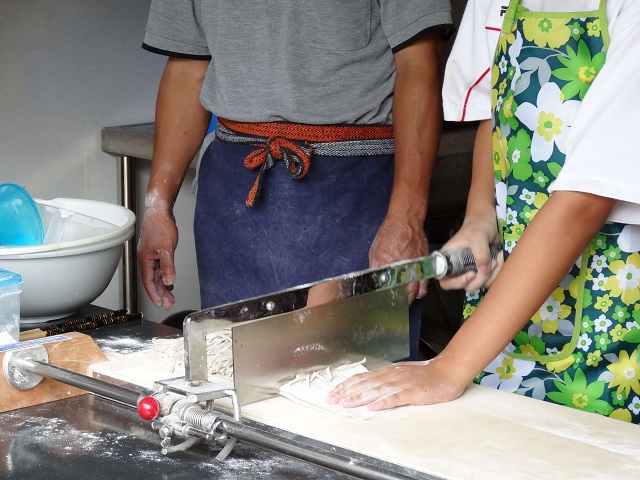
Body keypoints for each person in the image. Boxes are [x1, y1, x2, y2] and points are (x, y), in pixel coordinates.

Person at [327, 0, 640, 423]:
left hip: (616, 301)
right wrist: (480, 218)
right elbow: (494, 113)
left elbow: (586, 199)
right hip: (504, 308)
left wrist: (447, 367)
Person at [137, 1, 454, 359]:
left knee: (360, 386)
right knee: (238, 374)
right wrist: (158, 206)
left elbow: (419, 64)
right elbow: (188, 68)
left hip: (357, 192)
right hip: (235, 198)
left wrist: (407, 217)